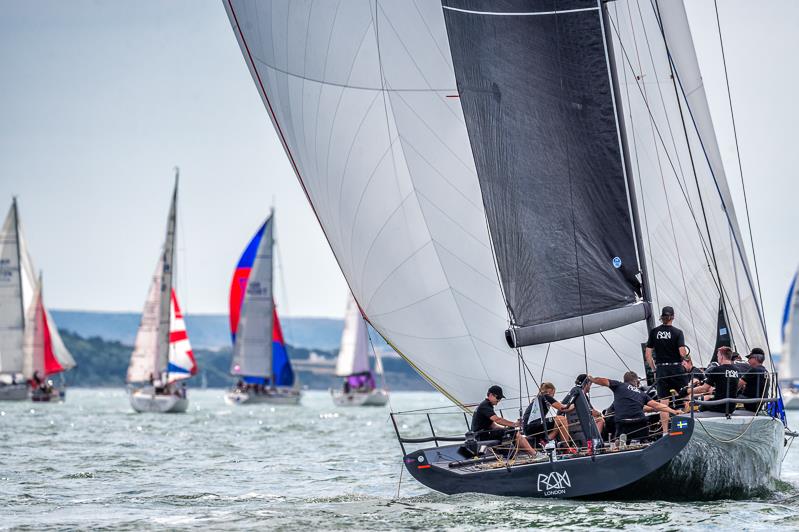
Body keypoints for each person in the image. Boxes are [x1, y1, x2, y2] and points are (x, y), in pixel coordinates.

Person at [588, 371, 680, 441]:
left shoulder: (619, 385)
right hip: (640, 423)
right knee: (643, 438)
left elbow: (603, 381)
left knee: (620, 437)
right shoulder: (641, 393)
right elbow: (657, 405)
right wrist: (674, 411)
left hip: (623, 423)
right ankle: (643, 442)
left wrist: (592, 379)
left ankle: (619, 444)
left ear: (625, 380)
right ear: (636, 381)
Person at [644, 306, 688, 432]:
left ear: (662, 317)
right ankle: (685, 427)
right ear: (672, 317)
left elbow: (648, 355)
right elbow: (682, 352)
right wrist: (687, 356)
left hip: (662, 370)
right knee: (686, 396)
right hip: (676, 369)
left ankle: (664, 432)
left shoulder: (654, 332)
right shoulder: (678, 332)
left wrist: (654, 369)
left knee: (663, 403)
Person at [470, 385, 537, 457]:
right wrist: (514, 424)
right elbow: (497, 419)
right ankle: (533, 453)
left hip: (484, 434)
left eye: (500, 398)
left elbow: (493, 425)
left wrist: (506, 429)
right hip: (481, 436)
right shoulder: (485, 405)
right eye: (498, 397)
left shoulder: (487, 405)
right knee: (514, 432)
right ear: (490, 395)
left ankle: (521, 453)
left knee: (511, 431)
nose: (499, 400)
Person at [691, 346, 743, 414]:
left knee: (702, 406)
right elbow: (738, 386)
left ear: (721, 356)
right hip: (732, 406)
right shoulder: (737, 370)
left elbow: (704, 389)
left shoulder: (717, 370)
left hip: (719, 405)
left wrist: (689, 390)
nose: (717, 358)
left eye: (718, 356)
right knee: (710, 399)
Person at [561, 374, 605, 444]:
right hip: (581, 425)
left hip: (573, 426)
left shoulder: (573, 393)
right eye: (590, 385)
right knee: (601, 420)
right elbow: (593, 412)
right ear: (586, 384)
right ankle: (595, 442)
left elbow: (561, 408)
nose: (590, 387)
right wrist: (600, 414)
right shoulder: (581, 395)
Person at [740, 348, 768, 412]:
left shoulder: (754, 370)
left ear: (755, 358)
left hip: (751, 403)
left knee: (728, 396)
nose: (748, 361)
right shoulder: (765, 371)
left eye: (749, 358)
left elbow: (738, 384)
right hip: (759, 404)